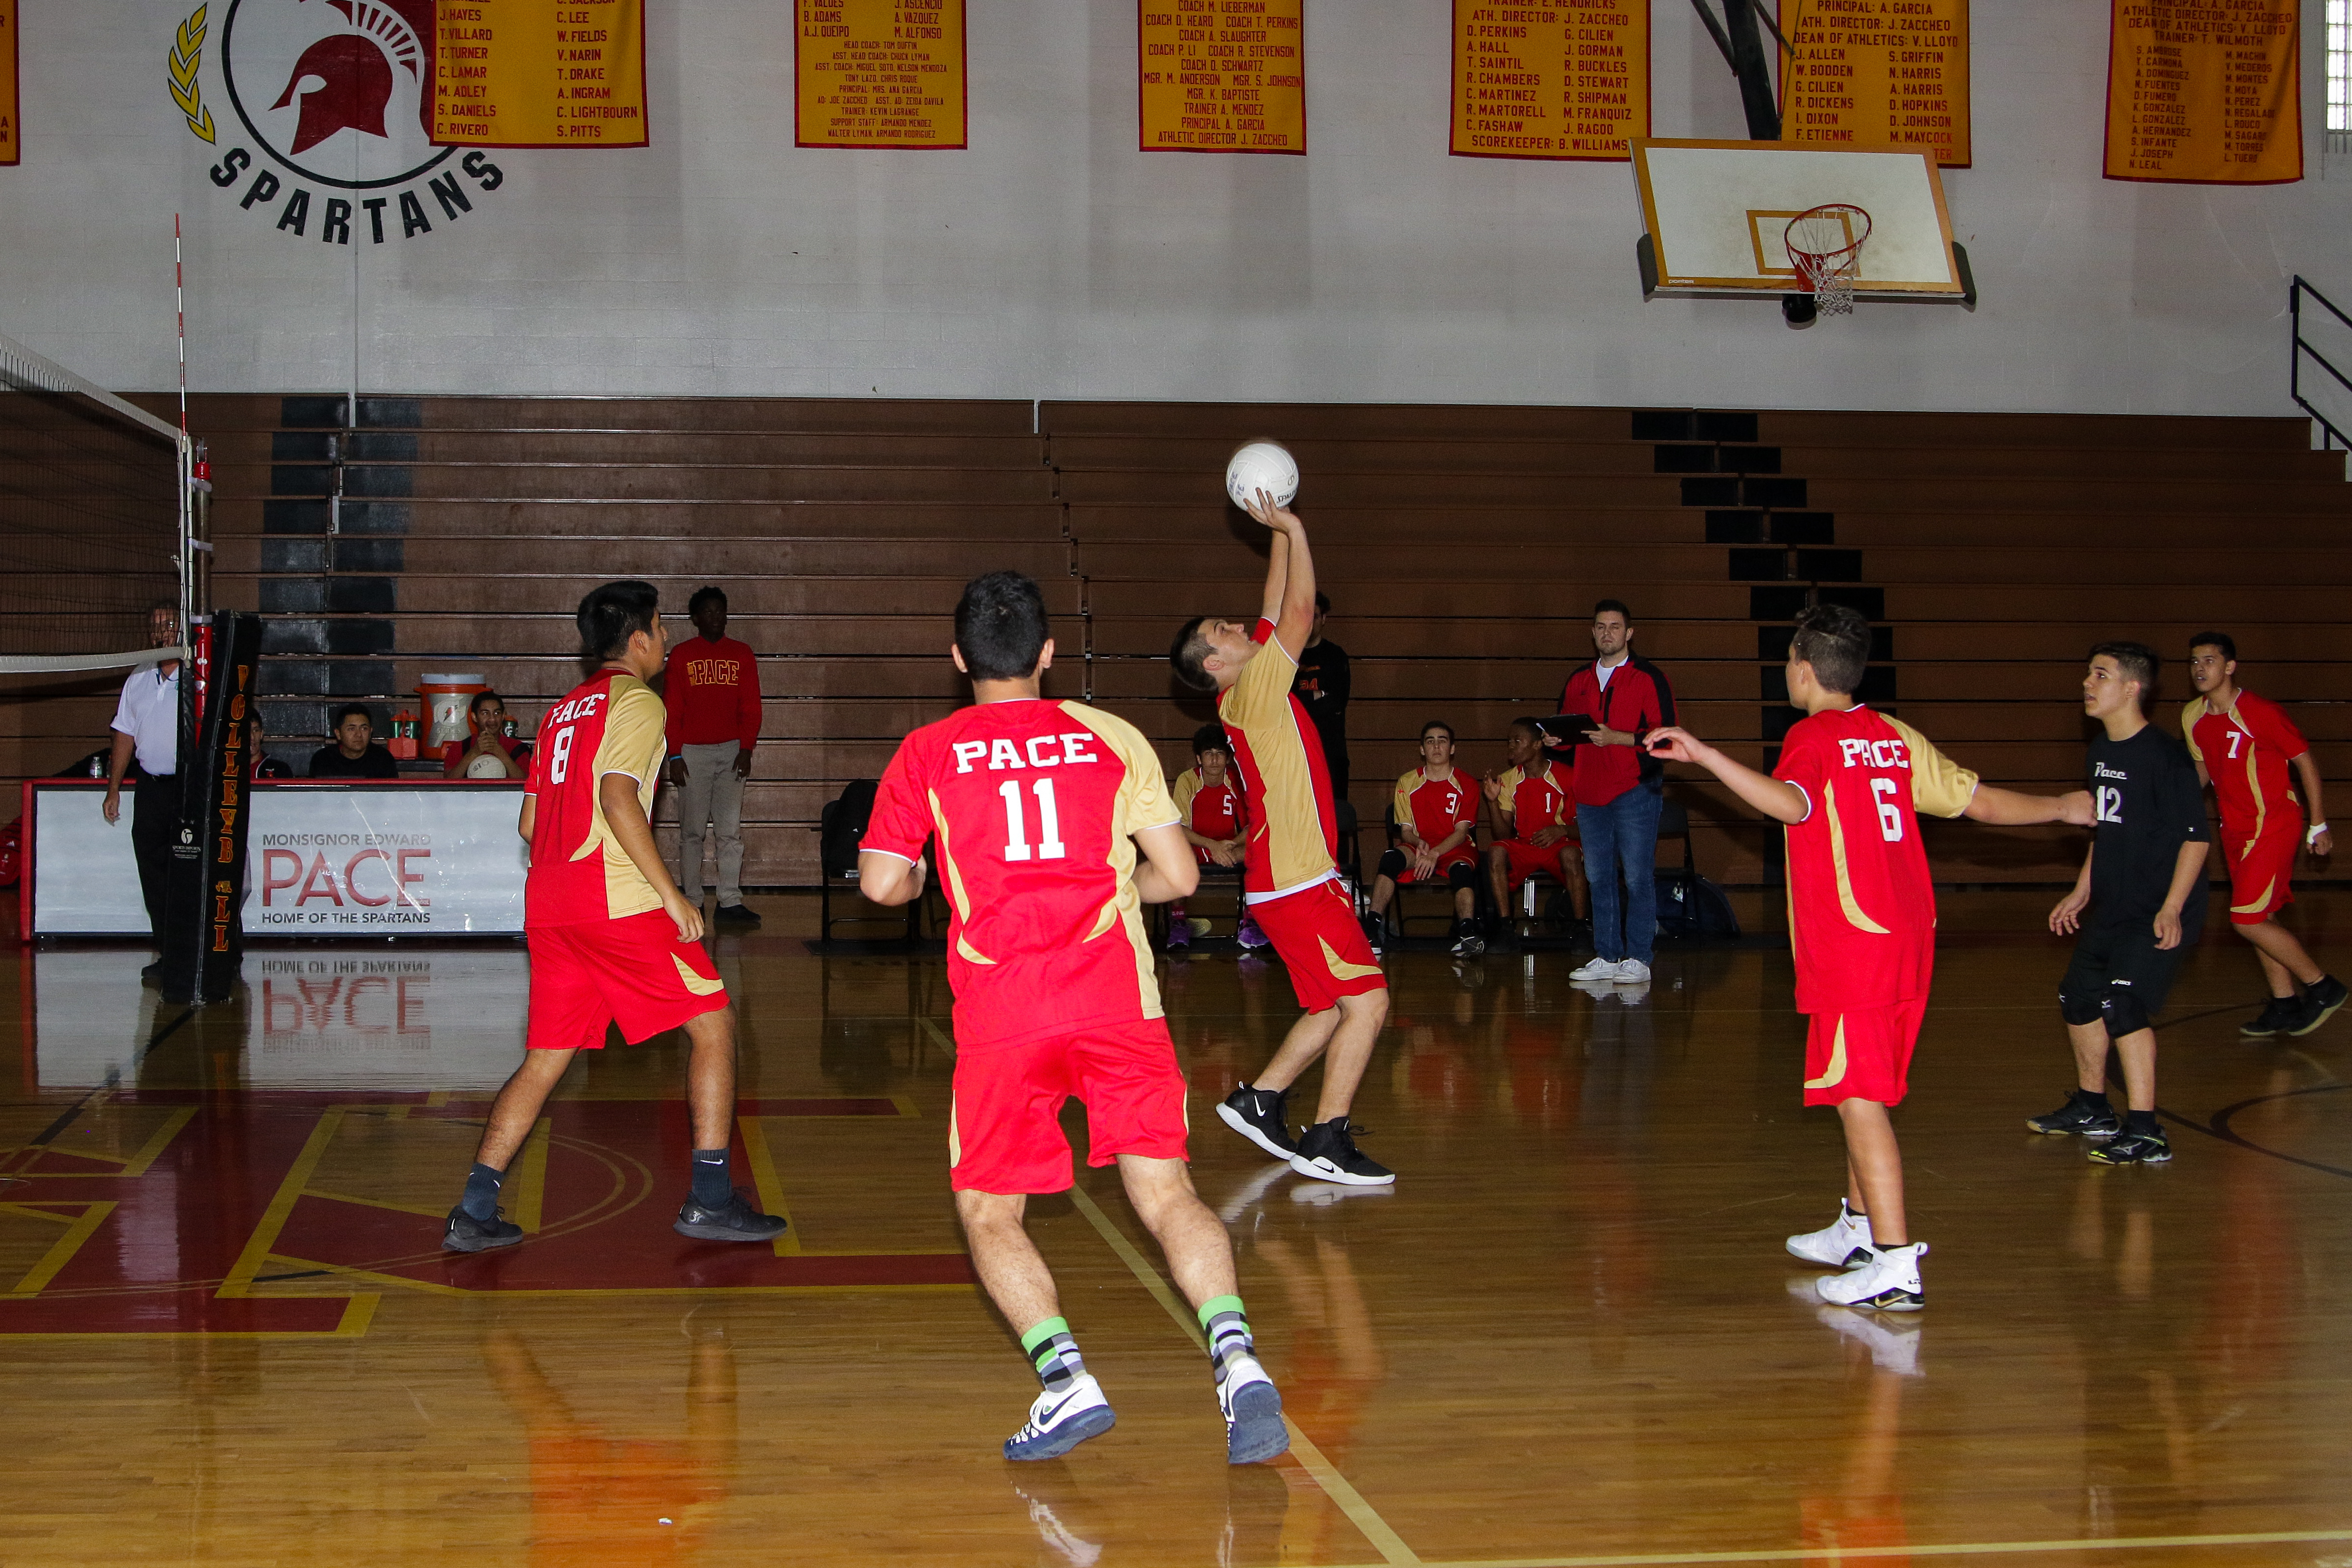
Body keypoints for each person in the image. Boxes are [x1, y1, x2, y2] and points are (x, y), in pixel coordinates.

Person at [855, 571, 1288, 1467]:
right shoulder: (1113, 736)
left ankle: (1066, 1381)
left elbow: (881, 885)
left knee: (988, 1211)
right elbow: (1176, 877)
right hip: (1115, 1000)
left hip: (1005, 1011)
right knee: (1167, 1195)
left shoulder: (928, 751)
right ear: (1049, 653)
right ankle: (1239, 1362)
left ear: (958, 659)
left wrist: (930, 880)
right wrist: (1106, 891)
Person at [1646, 605, 2090, 1310]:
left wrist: (1705, 757)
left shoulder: (1812, 735)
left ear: (1799, 667)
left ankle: (1894, 1264)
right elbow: (1979, 805)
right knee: (1870, 1087)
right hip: (1910, 935)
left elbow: (1792, 807)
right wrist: (2062, 807)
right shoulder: (1893, 735)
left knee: (1857, 1099)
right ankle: (1856, 1227)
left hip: (1853, 941)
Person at [442, 581, 786, 1254]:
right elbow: (618, 797)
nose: (665, 642)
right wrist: (672, 895)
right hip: (614, 901)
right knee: (714, 1025)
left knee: (544, 1060)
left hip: (550, 904)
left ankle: (474, 1208)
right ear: (639, 640)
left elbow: (529, 819)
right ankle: (711, 1200)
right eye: (661, 631)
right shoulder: (637, 703)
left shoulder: (560, 712)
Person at [1170, 494, 1394, 1186]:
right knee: (1370, 1002)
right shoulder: (1259, 686)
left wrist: (1273, 534)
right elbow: (1297, 614)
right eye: (1222, 628)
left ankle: (1261, 1099)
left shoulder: (1244, 686)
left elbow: (1271, 609)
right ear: (1215, 662)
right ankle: (1328, 1136)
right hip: (1299, 881)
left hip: (1284, 881)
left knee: (1329, 1004)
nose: (1239, 625)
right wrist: (1297, 527)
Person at [2028, 643, 2212, 1166]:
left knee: (2123, 1004)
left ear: (2131, 688)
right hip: (2112, 903)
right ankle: (2092, 1108)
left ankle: (2147, 1131)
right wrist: (2082, 889)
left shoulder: (2165, 757)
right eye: (2089, 672)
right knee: (2078, 998)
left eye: (2100, 675)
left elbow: (2195, 838)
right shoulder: (2101, 752)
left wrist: (2173, 907)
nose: (2087, 683)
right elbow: (2104, 831)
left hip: (2156, 907)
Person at [2181, 632, 2344, 1037]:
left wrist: (2318, 822)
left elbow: (2304, 761)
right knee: (2260, 917)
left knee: (2245, 918)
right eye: (2194, 662)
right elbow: (2203, 769)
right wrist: (2169, 807)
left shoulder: (2260, 712)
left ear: (2230, 666)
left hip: (2272, 825)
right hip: (2232, 829)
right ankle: (2284, 1003)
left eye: (2209, 660)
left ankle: (2322, 987)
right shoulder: (2192, 717)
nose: (2200, 668)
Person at [1555, 600, 1676, 986]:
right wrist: (1552, 739)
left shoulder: (1648, 677)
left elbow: (1666, 738)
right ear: (1592, 633)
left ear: (1629, 633)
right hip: (1589, 791)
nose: (1607, 633)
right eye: (1600, 626)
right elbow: (1566, 738)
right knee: (1597, 875)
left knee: (1638, 875)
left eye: (1615, 626)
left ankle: (1638, 956)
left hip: (1634, 789)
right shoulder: (1577, 680)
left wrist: (1617, 738)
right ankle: (1606, 954)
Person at [663, 586, 763, 929]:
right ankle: (692, 899)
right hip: (692, 753)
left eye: (721, 611)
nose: (716, 618)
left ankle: (730, 900)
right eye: (708, 612)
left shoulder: (742, 654)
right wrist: (674, 754)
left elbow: (750, 707)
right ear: (695, 619)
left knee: (729, 831)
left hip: (731, 751)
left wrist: (746, 748)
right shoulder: (681, 655)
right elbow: (672, 709)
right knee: (691, 832)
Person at [102, 602, 184, 981]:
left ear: (182, 630)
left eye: (168, 625)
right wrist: (114, 788)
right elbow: (124, 734)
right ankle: (169, 955)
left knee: (197, 873)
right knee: (154, 876)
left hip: (190, 788)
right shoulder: (138, 677)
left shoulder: (200, 676)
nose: (162, 632)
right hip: (151, 788)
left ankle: (220, 955)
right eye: (155, 626)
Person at [1366, 720, 1483, 959]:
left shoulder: (1468, 784)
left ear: (1452, 748)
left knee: (1462, 871)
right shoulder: (1407, 782)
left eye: (1443, 741)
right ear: (1422, 749)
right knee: (1390, 859)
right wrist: (1419, 844)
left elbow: (1462, 832)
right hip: (1420, 845)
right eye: (1430, 741)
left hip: (1454, 846)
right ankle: (1370, 932)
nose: (1437, 746)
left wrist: (1435, 854)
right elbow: (1406, 830)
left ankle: (1467, 936)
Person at [1484, 716, 1588, 934]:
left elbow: (1588, 828)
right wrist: (1492, 802)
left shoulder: (1567, 776)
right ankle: (1505, 927)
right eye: (1509, 741)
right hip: (1525, 845)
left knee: (1571, 855)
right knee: (1495, 852)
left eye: (1517, 741)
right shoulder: (1508, 780)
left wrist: (1561, 830)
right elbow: (1501, 834)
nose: (1511, 746)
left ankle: (1580, 928)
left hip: (1559, 844)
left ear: (1537, 744)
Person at [1167, 724, 1264, 952]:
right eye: (1209, 754)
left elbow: (1253, 824)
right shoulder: (1187, 780)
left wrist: (1229, 846)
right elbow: (1178, 828)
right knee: (1172, 855)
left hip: (1230, 847)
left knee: (1258, 853)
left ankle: (1249, 922)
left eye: (1220, 754)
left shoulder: (1237, 781)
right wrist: (1212, 846)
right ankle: (1179, 922)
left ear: (1228, 758)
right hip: (1197, 845)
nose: (1214, 760)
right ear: (1199, 759)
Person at [1293, 592, 1350, 799]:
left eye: (1315, 616)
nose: (1309, 621)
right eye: (1305, 615)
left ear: (1324, 619)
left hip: (1331, 753)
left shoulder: (1336, 656)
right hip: (1296, 752)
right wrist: (1318, 696)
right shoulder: (1288, 656)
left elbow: (1338, 700)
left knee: (1334, 818)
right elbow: (1282, 701)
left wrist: (1301, 702)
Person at [442, 689, 529, 779]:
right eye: (485, 713)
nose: (492, 719)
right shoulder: (459, 748)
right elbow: (449, 783)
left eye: (497, 713)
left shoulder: (518, 749)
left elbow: (525, 783)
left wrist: (500, 753)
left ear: (503, 716)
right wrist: (473, 753)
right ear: (474, 717)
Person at [308, 704, 400, 779]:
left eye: (364, 729)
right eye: (351, 729)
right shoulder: (323, 759)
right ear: (338, 734)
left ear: (371, 732)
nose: (359, 734)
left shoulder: (383, 759)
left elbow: (391, 799)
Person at [248, 714, 291, 780]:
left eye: (256, 731)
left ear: (261, 734)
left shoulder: (281, 769)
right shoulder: (228, 769)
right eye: (246, 731)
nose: (252, 737)